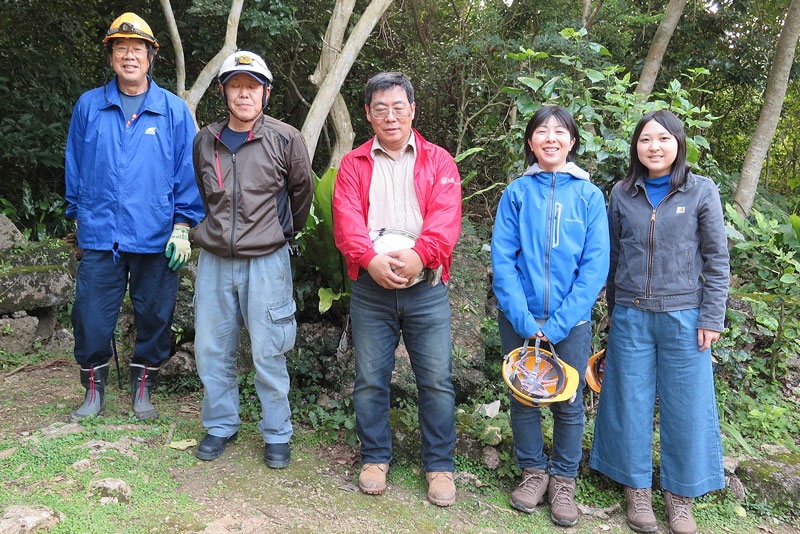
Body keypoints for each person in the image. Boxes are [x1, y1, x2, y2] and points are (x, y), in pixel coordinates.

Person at [589, 109, 729, 534]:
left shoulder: (701, 191)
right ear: (636, 146)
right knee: (628, 403)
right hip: (631, 315)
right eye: (646, 139)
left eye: (663, 139)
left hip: (685, 317)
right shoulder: (621, 193)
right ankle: (637, 494)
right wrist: (614, 308)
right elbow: (614, 257)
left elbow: (717, 260)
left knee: (686, 407)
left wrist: (712, 316)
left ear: (678, 144)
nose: (654, 147)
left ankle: (680, 497)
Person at [65, 12, 204, 421]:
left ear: (150, 57)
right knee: (90, 316)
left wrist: (182, 225)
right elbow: (75, 165)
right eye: (121, 48)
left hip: (157, 235)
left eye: (137, 49)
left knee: (156, 317)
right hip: (100, 234)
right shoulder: (90, 106)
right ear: (111, 56)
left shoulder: (173, 111)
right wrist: (78, 217)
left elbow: (187, 171)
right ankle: (94, 392)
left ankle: (143, 389)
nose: (130, 56)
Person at [332, 72, 462, 506]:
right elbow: (347, 219)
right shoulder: (353, 164)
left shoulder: (439, 161)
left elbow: (446, 219)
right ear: (368, 113)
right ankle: (374, 457)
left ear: (412, 110)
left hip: (426, 287)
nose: (391, 116)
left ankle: (440, 465)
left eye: (398, 107)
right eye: (380, 108)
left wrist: (419, 256)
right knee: (370, 378)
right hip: (371, 289)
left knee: (437, 380)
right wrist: (369, 259)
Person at [191, 51, 313, 467]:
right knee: (210, 348)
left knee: (269, 350)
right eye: (236, 85)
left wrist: (278, 234)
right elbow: (205, 194)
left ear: (266, 92)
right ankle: (220, 425)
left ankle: (277, 432)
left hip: (267, 261)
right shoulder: (206, 139)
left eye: (253, 86)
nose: (244, 93)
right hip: (213, 260)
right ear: (224, 90)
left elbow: (302, 194)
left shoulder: (285, 138)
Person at [491, 105, 610, 527]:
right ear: (530, 142)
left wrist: (557, 324)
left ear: (572, 141)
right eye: (541, 131)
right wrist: (523, 319)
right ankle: (533, 471)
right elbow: (503, 259)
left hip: (570, 321)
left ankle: (563, 480)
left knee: (569, 400)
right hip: (518, 317)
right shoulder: (516, 193)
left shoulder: (590, 196)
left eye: (560, 132)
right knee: (523, 395)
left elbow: (595, 267)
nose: (550, 138)